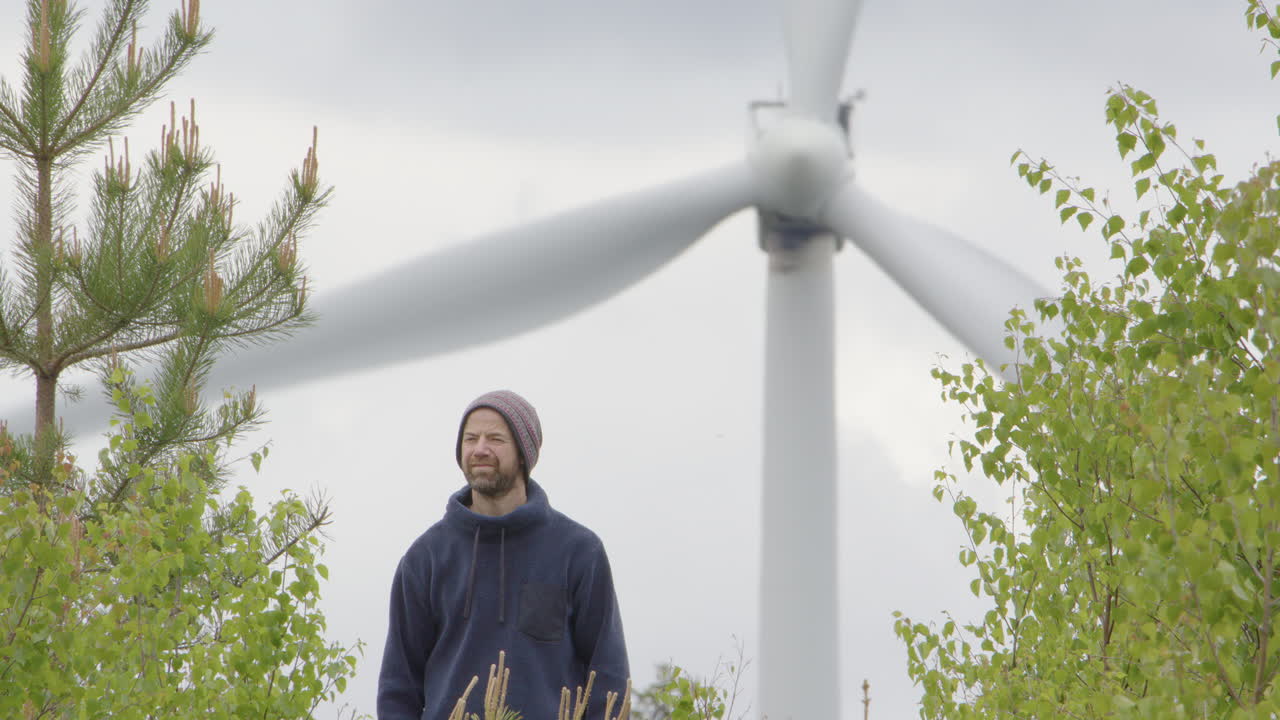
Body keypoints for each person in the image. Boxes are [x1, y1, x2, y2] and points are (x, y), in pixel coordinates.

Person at [377, 390, 629, 720]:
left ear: (524, 453)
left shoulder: (579, 551)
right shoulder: (425, 559)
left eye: (495, 438)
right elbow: (398, 687)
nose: (480, 449)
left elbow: (608, 677)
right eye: (470, 439)